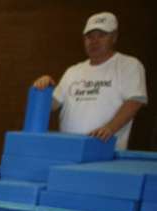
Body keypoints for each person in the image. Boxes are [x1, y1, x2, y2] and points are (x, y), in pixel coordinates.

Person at [32, 12, 147, 151]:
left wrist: (109, 128)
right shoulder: (73, 71)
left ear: (114, 37)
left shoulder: (129, 65)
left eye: (101, 35)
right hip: (69, 151)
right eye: (89, 36)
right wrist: (44, 89)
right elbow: (52, 104)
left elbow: (134, 101)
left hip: (106, 152)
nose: (94, 41)